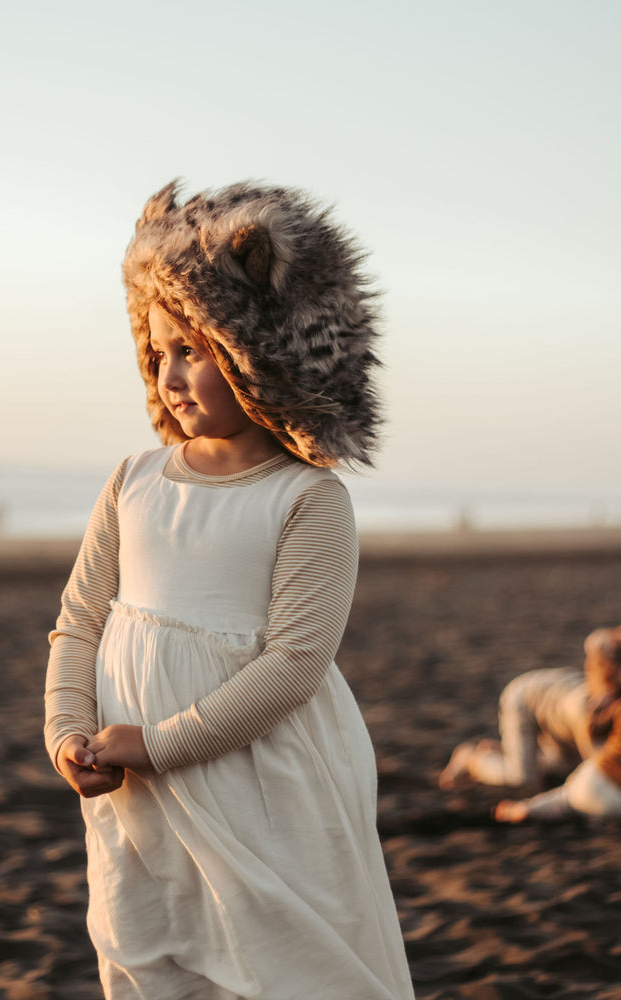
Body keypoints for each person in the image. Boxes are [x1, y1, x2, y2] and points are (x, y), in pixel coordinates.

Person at [44, 180, 414, 999]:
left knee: (286, 959)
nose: (171, 373)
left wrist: (161, 741)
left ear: (261, 349)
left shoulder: (307, 497)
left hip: (261, 777)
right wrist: (69, 730)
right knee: (156, 952)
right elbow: (78, 623)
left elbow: (294, 664)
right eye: (158, 349)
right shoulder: (132, 480)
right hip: (134, 787)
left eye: (196, 348)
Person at [439, 627, 621, 823]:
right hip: (523, 702)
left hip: (556, 723)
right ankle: (471, 759)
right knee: (524, 780)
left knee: (558, 773)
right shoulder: (588, 708)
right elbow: (599, 765)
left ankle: (505, 753)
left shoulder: (607, 698)